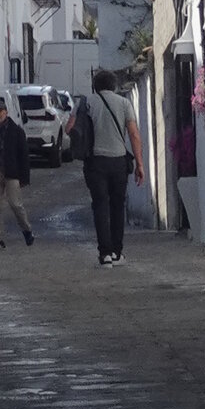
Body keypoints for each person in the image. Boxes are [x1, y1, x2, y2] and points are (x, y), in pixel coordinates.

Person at [83, 68, 144, 267]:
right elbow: (134, 134)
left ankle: (105, 254)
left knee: (100, 206)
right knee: (117, 207)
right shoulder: (124, 103)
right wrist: (140, 164)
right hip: (118, 161)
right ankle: (117, 252)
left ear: (95, 86)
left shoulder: (86, 102)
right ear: (114, 85)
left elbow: (69, 128)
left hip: (95, 161)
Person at [0, 97, 34, 249]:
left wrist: (24, 176)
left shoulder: (16, 131)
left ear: (6, 112)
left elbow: (23, 155)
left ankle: (27, 230)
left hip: (12, 172)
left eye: (0, 111)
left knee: (16, 204)